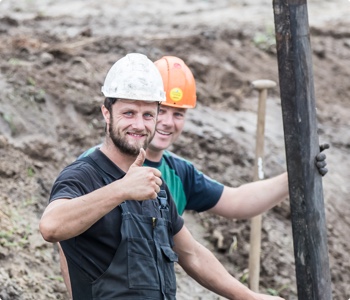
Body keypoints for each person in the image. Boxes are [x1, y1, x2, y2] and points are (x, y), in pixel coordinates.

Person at [40, 53, 285, 300]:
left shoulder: (156, 184)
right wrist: (122, 189)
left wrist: (250, 297)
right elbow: (51, 227)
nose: (138, 124)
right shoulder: (84, 174)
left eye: (148, 115)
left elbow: (192, 255)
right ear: (107, 113)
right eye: (128, 113)